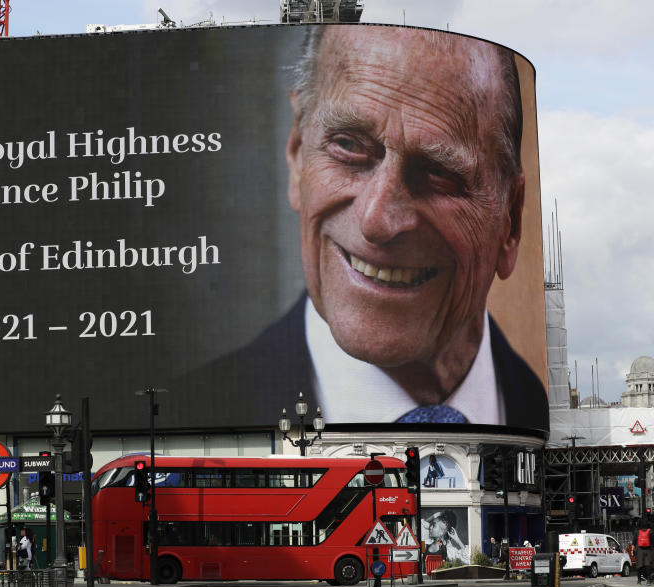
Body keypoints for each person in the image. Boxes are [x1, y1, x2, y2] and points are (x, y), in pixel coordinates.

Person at [181, 25, 548, 429]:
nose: (377, 219)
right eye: (349, 146)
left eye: (438, 173)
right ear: (298, 153)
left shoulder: (539, 413)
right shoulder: (188, 415)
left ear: (510, 220)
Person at [634, 519, 653, 585]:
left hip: (639, 550)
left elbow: (634, 542)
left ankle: (639, 581)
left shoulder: (637, 532)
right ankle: (649, 581)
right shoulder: (650, 531)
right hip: (649, 550)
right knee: (648, 565)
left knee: (639, 565)